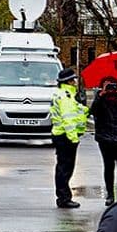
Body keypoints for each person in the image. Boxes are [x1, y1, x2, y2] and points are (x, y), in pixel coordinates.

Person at [88, 76, 117, 205]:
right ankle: (110, 194)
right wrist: (100, 96)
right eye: (107, 86)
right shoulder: (100, 97)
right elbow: (93, 112)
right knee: (108, 167)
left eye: (113, 85)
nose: (110, 88)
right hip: (105, 137)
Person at [51, 67, 88, 208]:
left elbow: (74, 112)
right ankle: (64, 197)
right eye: (73, 80)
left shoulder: (66, 95)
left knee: (63, 167)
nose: (75, 82)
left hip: (62, 135)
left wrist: (83, 109)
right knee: (65, 168)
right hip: (66, 136)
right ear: (69, 81)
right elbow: (68, 119)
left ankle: (63, 196)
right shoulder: (65, 96)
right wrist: (73, 138)